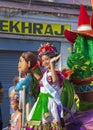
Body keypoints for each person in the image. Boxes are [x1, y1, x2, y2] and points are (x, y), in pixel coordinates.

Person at [27, 43, 66, 130]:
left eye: (47, 59)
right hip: (41, 100)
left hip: (50, 102)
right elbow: (41, 80)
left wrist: (51, 64)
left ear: (52, 59)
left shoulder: (56, 72)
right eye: (43, 60)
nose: (45, 62)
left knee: (49, 124)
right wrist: (32, 72)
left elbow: (54, 80)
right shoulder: (45, 74)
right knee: (38, 124)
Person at [10, 51, 40, 122]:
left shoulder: (30, 76)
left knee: (28, 117)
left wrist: (15, 90)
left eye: (21, 61)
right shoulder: (27, 75)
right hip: (26, 99)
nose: (19, 64)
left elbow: (23, 83)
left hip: (29, 99)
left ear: (29, 63)